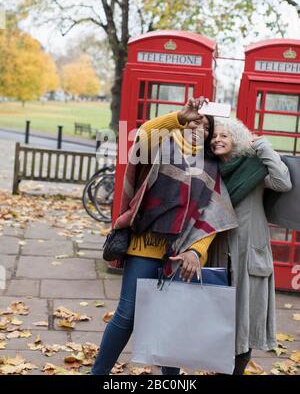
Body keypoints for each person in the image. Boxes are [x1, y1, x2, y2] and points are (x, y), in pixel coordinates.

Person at [91, 98, 238, 375]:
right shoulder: (160, 146)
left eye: (205, 126)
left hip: (180, 254)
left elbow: (212, 215)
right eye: (194, 122)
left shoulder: (210, 166)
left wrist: (196, 252)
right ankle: (97, 373)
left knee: (171, 321)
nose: (199, 128)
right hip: (144, 247)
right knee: (127, 316)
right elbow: (144, 133)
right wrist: (180, 116)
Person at [208, 117, 292, 375]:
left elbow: (283, 182)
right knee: (219, 322)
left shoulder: (253, 169)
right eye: (214, 136)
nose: (217, 140)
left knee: (245, 323)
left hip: (249, 254)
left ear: (236, 140)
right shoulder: (209, 172)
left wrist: (264, 146)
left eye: (224, 135)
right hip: (219, 255)